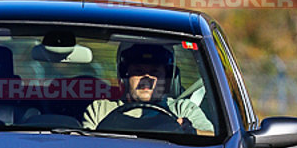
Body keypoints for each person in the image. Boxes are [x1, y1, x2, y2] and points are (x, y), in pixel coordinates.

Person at [82, 42, 214, 133]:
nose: (146, 78)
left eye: (155, 73)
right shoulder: (100, 110)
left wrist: (191, 132)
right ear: (124, 77)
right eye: (138, 71)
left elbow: (215, 141)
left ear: (167, 79)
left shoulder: (183, 110)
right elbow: (85, 147)